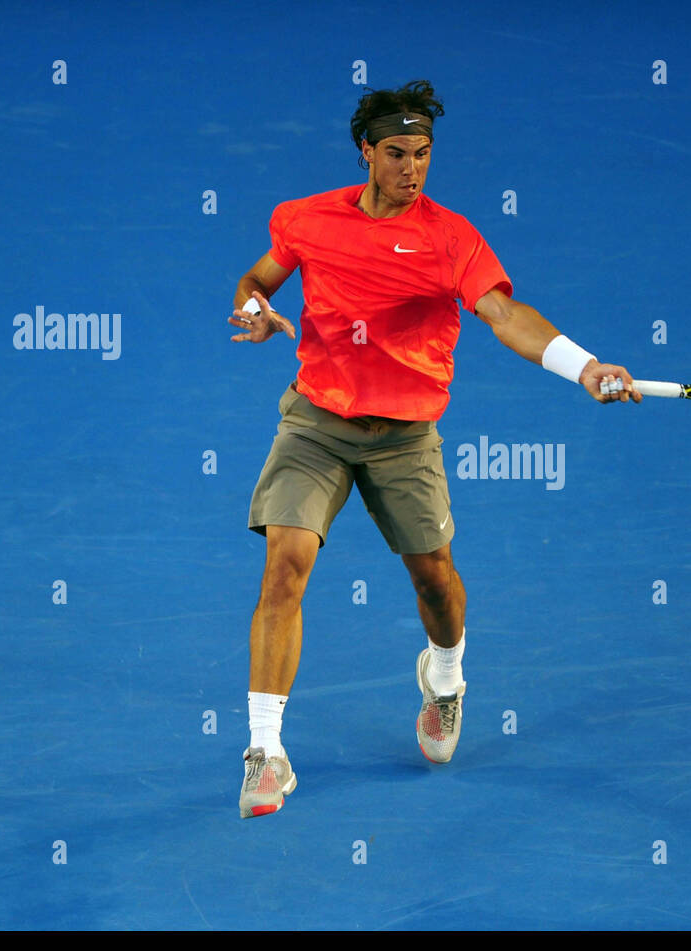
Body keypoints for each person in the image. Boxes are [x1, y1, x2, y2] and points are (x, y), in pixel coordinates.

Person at [228, 80, 640, 819]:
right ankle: (265, 750)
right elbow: (259, 278)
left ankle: (445, 679)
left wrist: (584, 365)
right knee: (284, 565)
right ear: (366, 153)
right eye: (395, 154)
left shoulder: (450, 238)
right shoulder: (306, 219)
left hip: (404, 437)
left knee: (436, 583)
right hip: (315, 421)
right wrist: (256, 310)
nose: (411, 168)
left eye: (422, 154)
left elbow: (504, 314)